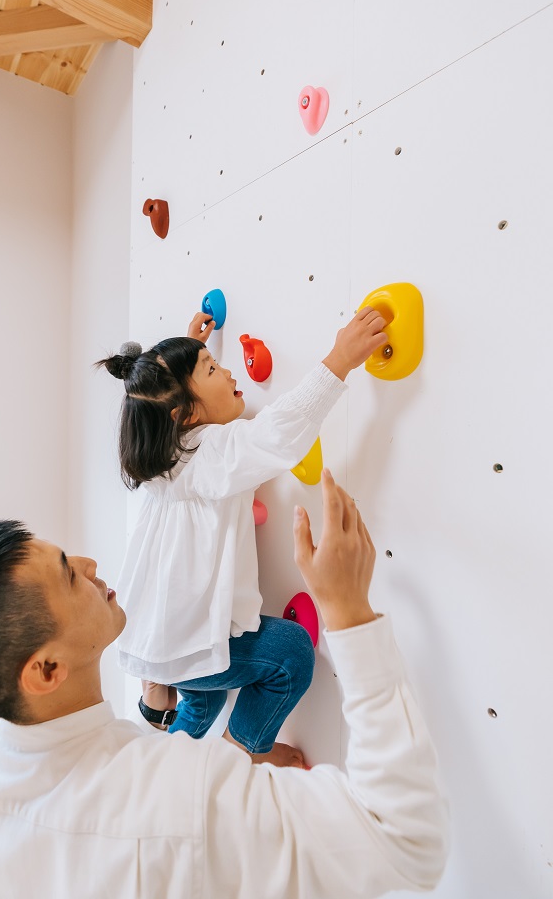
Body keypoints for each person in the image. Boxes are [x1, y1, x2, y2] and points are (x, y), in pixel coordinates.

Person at [0, 470, 448, 898]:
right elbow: (405, 840)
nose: (90, 563)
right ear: (45, 670)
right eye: (68, 572)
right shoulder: (183, 799)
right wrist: (350, 612)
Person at [96, 307, 388, 766]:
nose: (228, 370)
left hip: (160, 635)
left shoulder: (165, 457)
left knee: (204, 699)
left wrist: (191, 348)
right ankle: (242, 759)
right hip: (184, 640)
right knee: (290, 653)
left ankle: (166, 764)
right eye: (211, 369)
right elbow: (278, 432)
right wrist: (339, 360)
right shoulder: (210, 452)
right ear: (187, 413)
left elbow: (162, 399)